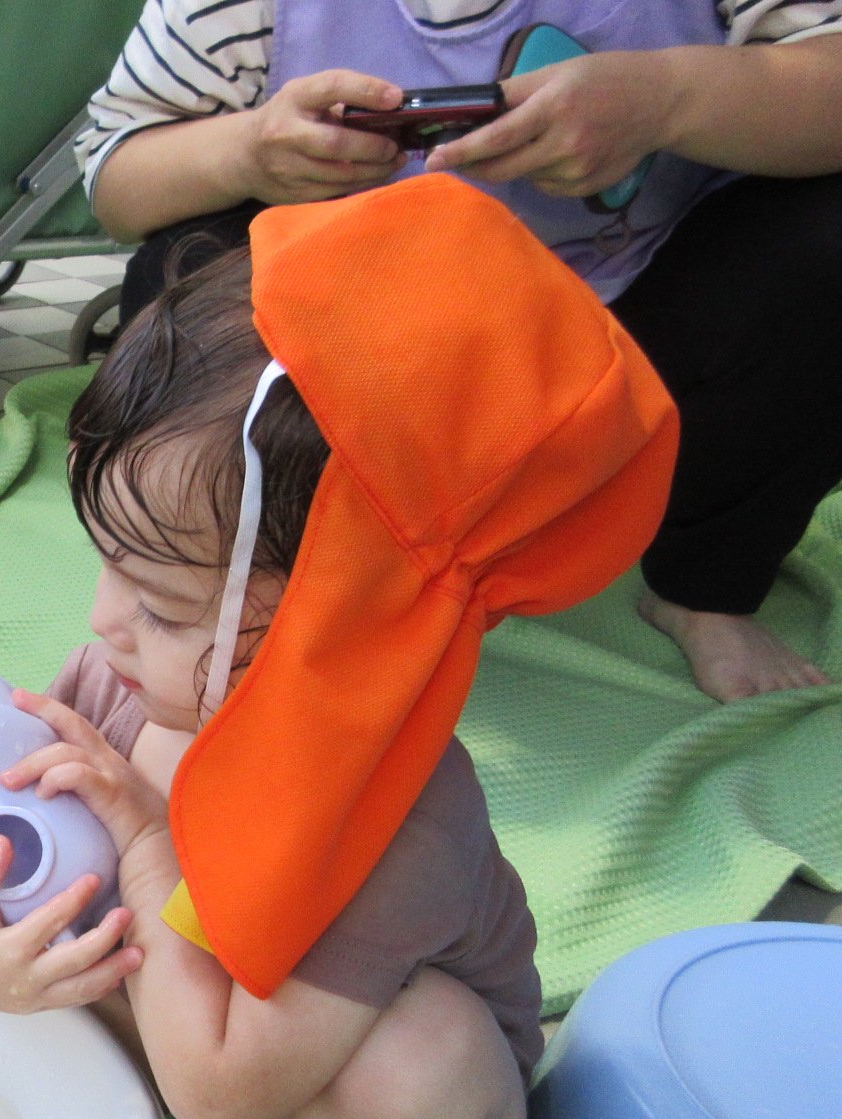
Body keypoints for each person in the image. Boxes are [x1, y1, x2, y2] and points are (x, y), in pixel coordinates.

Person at [0, 177, 675, 1119]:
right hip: (143, 1082)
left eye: (159, 605)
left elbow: (220, 1093)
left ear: (347, 621)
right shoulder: (123, 682)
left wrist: (143, 845)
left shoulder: (395, 823)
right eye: (107, 568)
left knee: (422, 1063)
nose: (99, 623)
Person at [75, 0, 842, 702]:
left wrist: (668, 99)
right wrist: (246, 151)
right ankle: (261, 581)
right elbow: (116, 178)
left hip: (641, 333)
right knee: (185, 269)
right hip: (364, 352)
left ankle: (709, 583)